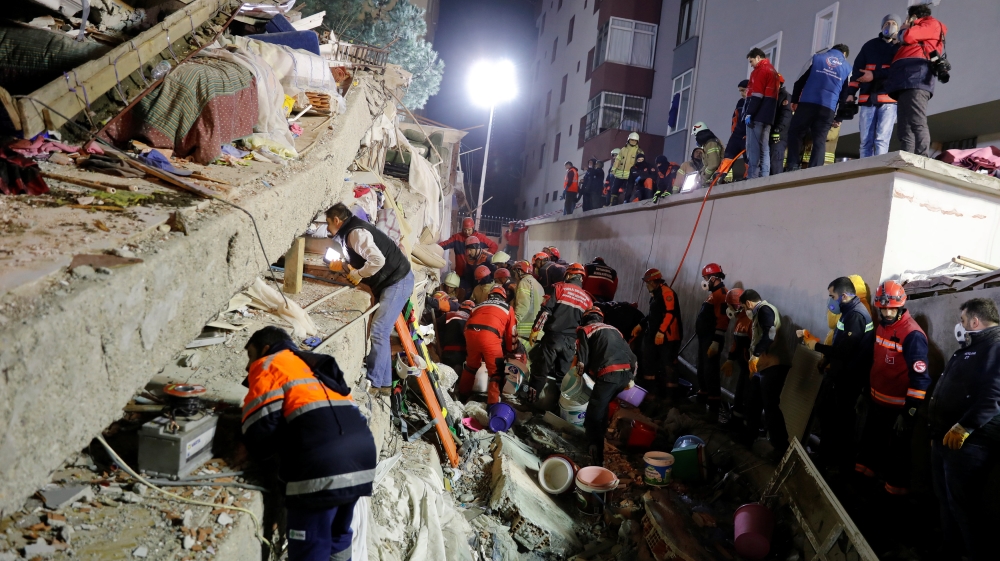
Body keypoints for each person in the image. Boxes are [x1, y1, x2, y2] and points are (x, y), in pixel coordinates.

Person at [241, 326, 376, 561]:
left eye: (250, 356)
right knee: (338, 535)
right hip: (362, 460)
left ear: (265, 349)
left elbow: (260, 428)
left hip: (322, 466)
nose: (248, 366)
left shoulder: (268, 363)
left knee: (310, 547)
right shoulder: (313, 364)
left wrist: (259, 461)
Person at [928, 298, 1000, 561]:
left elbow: (993, 397)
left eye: (962, 321)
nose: (960, 326)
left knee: (963, 507)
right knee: (946, 501)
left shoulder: (995, 348)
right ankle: (950, 551)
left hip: (970, 443)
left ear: (974, 321)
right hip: (947, 439)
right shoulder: (975, 348)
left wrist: (964, 427)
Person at [326, 203, 413, 394]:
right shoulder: (349, 232)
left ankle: (374, 383)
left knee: (379, 330)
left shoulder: (356, 234)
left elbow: (378, 260)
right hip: (392, 280)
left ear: (336, 220)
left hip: (398, 281)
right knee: (380, 330)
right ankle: (385, 385)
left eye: (328, 223)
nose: (327, 228)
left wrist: (359, 274)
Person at [855, 281, 929, 496]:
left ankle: (893, 502)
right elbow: (876, 363)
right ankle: (861, 489)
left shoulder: (912, 335)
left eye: (892, 308)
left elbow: (920, 380)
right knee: (869, 448)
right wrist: (864, 393)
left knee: (896, 458)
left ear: (901, 306)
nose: (887, 312)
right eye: (883, 308)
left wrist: (908, 413)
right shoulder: (882, 327)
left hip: (898, 410)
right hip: (876, 403)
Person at [804, 276, 875, 474]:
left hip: (848, 380)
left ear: (843, 296)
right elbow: (839, 343)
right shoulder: (848, 312)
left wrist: (816, 346)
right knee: (826, 415)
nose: (830, 300)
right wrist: (826, 360)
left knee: (841, 423)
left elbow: (845, 351)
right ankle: (826, 457)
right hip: (838, 375)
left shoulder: (857, 316)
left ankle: (840, 467)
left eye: (831, 296)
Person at [862, 4, 947, 157]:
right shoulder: (919, 32)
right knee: (904, 126)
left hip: (916, 78)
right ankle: (908, 157)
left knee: (916, 120)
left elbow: (906, 36)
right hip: (904, 81)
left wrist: (904, 29)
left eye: (908, 18)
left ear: (914, 16)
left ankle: (922, 158)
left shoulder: (930, 24)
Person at [576, 306, 637, 466]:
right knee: (602, 406)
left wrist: (578, 377)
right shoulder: (615, 330)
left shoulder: (585, 329)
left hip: (609, 374)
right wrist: (631, 377)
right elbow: (633, 358)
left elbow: (582, 360)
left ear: (586, 318)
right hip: (626, 375)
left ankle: (593, 449)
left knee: (594, 411)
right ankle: (602, 437)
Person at [526, 263, 593, 403]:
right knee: (562, 379)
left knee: (539, 372)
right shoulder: (588, 300)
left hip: (553, 339)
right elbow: (586, 327)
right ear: (581, 278)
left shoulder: (559, 288)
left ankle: (530, 403)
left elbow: (546, 312)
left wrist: (535, 330)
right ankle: (557, 408)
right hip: (571, 344)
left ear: (568, 275)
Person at [740, 290, 790, 458]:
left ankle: (781, 447)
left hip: (773, 365)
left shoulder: (764, 310)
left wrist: (756, 355)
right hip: (763, 366)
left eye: (743, 307)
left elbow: (770, 333)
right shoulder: (761, 312)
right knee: (753, 401)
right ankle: (748, 437)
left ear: (748, 303)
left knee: (770, 406)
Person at [785, 44, 852, 170]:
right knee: (820, 140)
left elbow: (799, 80)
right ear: (844, 55)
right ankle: (815, 169)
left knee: (796, 133)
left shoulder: (816, 58)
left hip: (807, 104)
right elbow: (846, 95)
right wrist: (839, 117)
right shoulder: (847, 68)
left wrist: (794, 101)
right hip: (828, 108)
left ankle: (793, 165)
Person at [847, 15, 902, 157]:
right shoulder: (869, 46)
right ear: (882, 26)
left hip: (888, 99)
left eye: (894, 23)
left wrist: (874, 74)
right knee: (865, 141)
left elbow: (898, 70)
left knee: (881, 140)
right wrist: (850, 93)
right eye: (887, 23)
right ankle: (865, 174)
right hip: (867, 99)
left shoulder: (900, 48)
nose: (890, 26)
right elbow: (857, 71)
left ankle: (878, 172)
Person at [459, 285, 522, 405]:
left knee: (471, 366)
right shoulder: (508, 308)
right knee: (496, 372)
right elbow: (511, 333)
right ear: (504, 297)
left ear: (490, 296)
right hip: (490, 335)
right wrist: (510, 351)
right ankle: (493, 404)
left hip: (470, 333)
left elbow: (466, 326)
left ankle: (462, 396)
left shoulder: (477, 306)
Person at [632, 268, 683, 401]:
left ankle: (670, 399)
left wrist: (661, 332)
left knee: (668, 365)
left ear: (654, 281)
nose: (647, 286)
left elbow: (670, 314)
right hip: (654, 336)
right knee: (649, 362)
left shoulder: (666, 293)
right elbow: (652, 315)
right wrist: (641, 325)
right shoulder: (656, 294)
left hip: (668, 338)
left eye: (648, 283)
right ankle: (651, 393)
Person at [695, 263, 729, 420]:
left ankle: (713, 408)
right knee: (702, 368)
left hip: (712, 339)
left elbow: (723, 319)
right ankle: (701, 399)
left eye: (706, 278)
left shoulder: (722, 294)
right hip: (704, 338)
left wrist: (716, 341)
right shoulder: (713, 294)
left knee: (711, 371)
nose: (705, 281)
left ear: (713, 278)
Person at [744, 48, 780, 179]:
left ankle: (753, 177)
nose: (751, 64)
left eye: (751, 61)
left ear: (758, 57)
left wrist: (749, 113)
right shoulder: (773, 72)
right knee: (764, 147)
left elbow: (757, 94)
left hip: (757, 115)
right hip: (768, 115)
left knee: (753, 147)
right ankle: (764, 176)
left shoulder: (760, 71)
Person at [721, 288, 752, 424]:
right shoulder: (741, 320)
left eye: (730, 305)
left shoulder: (749, 321)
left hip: (751, 367)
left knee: (747, 394)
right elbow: (736, 343)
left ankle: (743, 424)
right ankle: (736, 419)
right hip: (744, 366)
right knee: (740, 392)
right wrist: (730, 359)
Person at [511, 260, 544, 347]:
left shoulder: (524, 282)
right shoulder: (538, 284)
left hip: (524, 333)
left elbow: (523, 306)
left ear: (520, 271)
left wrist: (513, 323)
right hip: (537, 333)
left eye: (515, 272)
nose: (515, 275)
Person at [438, 299, 473, 374]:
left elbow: (436, 327)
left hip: (446, 353)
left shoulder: (448, 315)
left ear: (460, 308)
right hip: (462, 356)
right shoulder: (472, 320)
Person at [609, 133, 643, 206]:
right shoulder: (623, 150)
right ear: (628, 140)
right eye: (632, 140)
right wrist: (613, 169)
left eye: (635, 140)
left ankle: (626, 202)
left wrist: (638, 173)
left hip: (629, 175)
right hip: (619, 174)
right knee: (614, 189)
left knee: (628, 190)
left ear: (637, 141)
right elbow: (617, 160)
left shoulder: (639, 151)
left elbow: (640, 163)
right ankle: (612, 203)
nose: (633, 141)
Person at [724, 79, 750, 174]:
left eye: (743, 90)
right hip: (737, 135)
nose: (742, 93)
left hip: (748, 135)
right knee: (728, 154)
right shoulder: (740, 102)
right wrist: (733, 133)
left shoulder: (755, 101)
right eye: (740, 91)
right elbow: (735, 119)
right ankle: (720, 175)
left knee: (749, 158)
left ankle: (748, 176)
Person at [769, 75, 792, 175]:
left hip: (780, 135)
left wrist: (777, 130)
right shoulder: (772, 96)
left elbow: (785, 115)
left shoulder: (785, 96)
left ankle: (775, 181)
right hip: (771, 133)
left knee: (776, 159)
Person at [689, 122, 725, 188]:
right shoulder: (707, 145)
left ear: (700, 135)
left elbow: (713, 164)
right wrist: (698, 176)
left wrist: (703, 179)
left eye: (696, 136)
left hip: (721, 179)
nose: (696, 139)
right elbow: (706, 165)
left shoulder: (711, 144)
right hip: (717, 179)